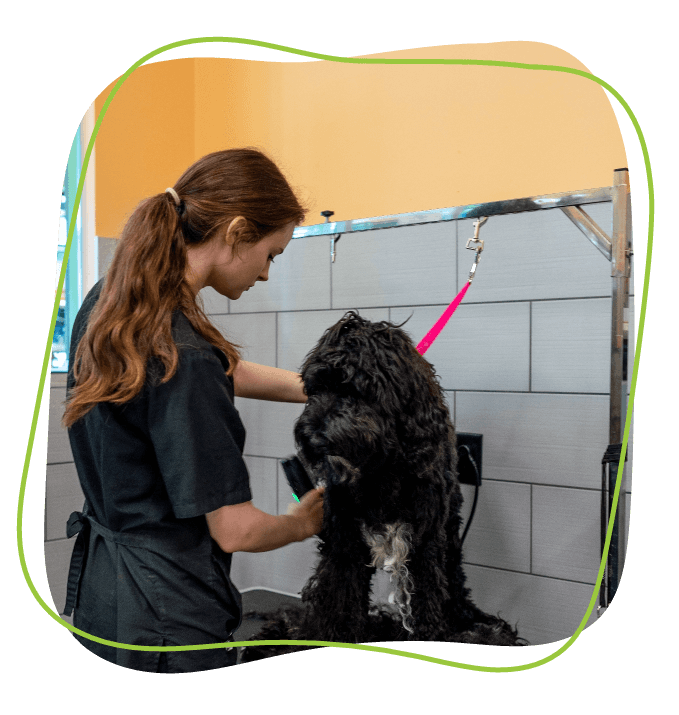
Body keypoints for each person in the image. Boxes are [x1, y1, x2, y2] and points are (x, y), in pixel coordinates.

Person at [61, 147, 326, 673]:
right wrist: (302, 522)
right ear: (236, 232)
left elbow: (221, 370)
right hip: (168, 611)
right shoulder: (187, 356)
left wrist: (325, 387)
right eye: (271, 254)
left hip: (105, 592)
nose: (268, 274)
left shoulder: (112, 302)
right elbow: (237, 530)